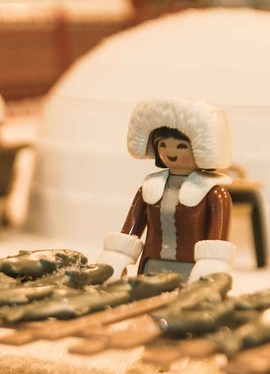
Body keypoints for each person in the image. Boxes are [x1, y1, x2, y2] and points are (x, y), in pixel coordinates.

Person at [97, 97, 234, 280]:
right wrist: (117, 256)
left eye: (181, 146)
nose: (171, 152)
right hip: (152, 264)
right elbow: (131, 228)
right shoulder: (149, 188)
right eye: (163, 144)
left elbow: (217, 238)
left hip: (192, 268)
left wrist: (212, 264)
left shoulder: (213, 193)